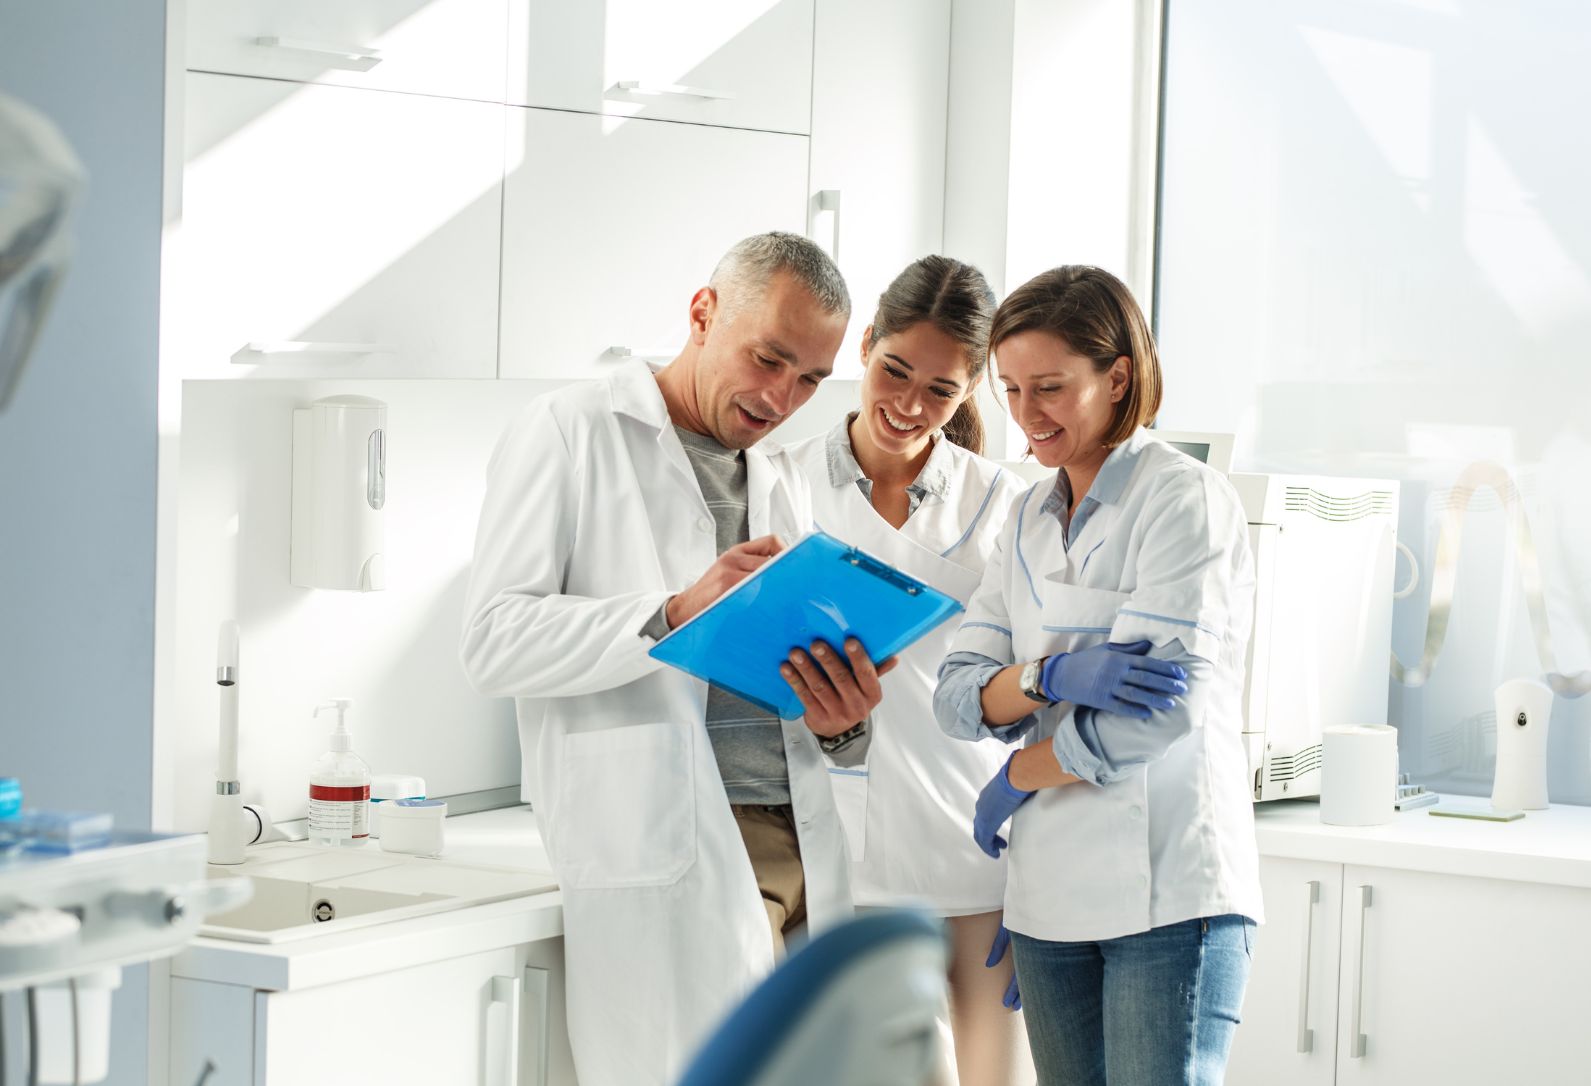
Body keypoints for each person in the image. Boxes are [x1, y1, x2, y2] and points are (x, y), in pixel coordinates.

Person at [460, 232, 893, 1086]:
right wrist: (670, 612)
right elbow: (492, 640)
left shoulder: (777, 470)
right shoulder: (570, 430)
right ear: (702, 313)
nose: (782, 396)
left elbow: (779, 674)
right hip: (677, 843)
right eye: (768, 358)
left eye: (810, 378)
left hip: (803, 842)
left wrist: (842, 725)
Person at [934, 265, 1263, 1086]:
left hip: (1169, 897)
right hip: (1050, 898)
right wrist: (1048, 675)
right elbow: (954, 695)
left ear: (1117, 377)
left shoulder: (1183, 501)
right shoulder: (1024, 517)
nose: (1025, 414)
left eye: (1048, 387)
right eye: (1009, 388)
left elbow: (1157, 715)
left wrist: (1018, 767)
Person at [786, 255, 1031, 1086]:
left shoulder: (1001, 502)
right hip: (829, 854)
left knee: (990, 1077)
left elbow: (1024, 680)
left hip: (971, 851)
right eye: (894, 371)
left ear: (969, 395)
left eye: (940, 391)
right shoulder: (779, 484)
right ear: (864, 345)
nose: (908, 405)